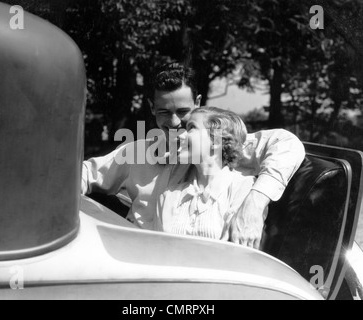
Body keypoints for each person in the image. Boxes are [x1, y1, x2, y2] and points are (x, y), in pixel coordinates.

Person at [81, 63, 306, 250]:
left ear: (197, 104)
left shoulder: (216, 142)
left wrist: (255, 203)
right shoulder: (138, 152)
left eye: (182, 113)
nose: (175, 123)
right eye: (163, 112)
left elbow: (287, 144)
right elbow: (85, 174)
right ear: (151, 108)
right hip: (134, 255)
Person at [156, 107, 256, 241]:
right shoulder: (170, 195)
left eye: (191, 128)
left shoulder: (244, 188)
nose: (180, 135)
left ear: (216, 141)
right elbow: (156, 249)